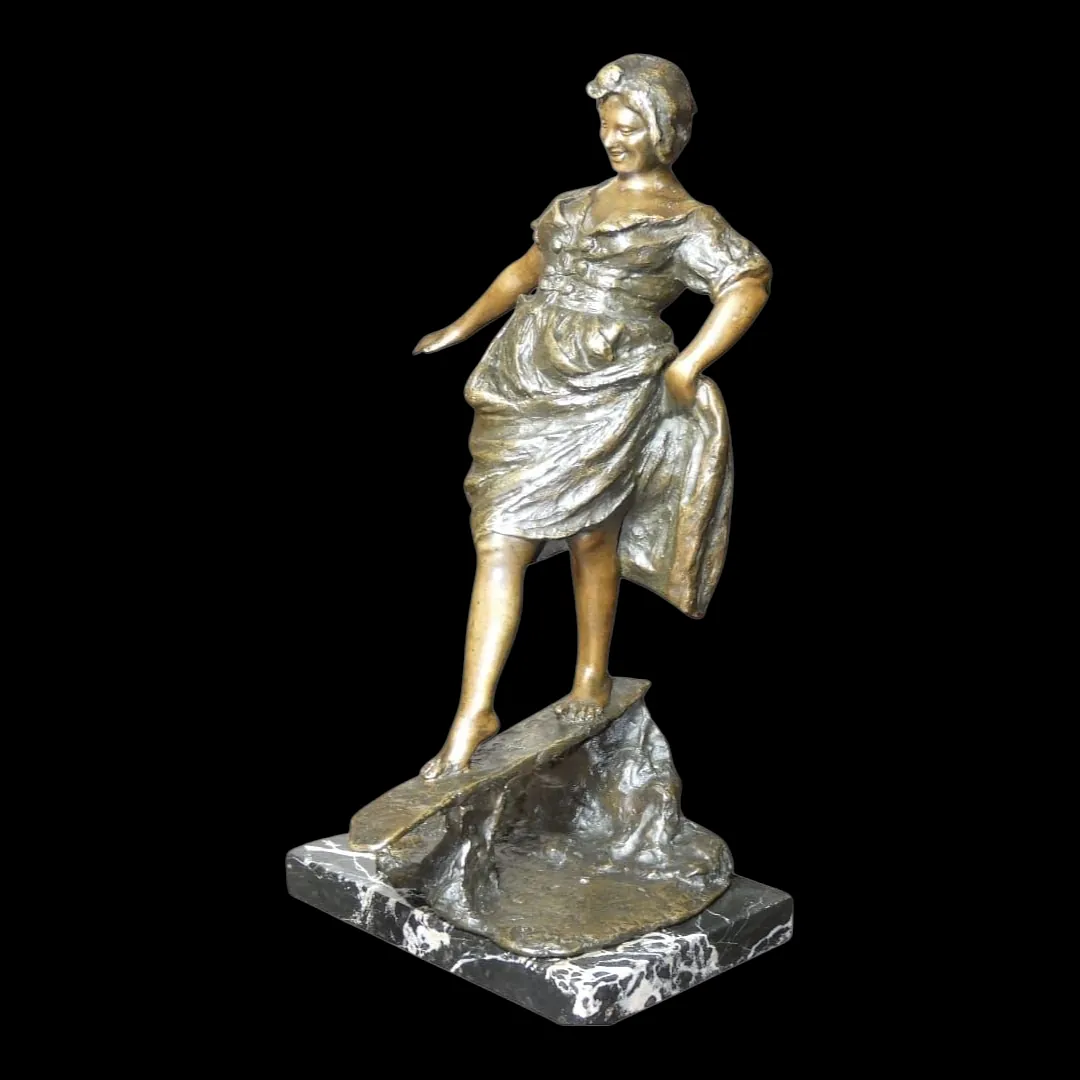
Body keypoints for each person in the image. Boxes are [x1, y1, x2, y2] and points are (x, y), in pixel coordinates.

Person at [413, 54, 772, 780]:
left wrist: (688, 364)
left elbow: (748, 282)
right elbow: (527, 270)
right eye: (606, 125)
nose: (613, 138)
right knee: (500, 537)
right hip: (528, 380)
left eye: (629, 125)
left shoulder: (687, 222)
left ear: (665, 130)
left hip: (610, 386)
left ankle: (590, 674)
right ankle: (476, 709)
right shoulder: (574, 203)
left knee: (592, 535)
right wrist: (461, 326)